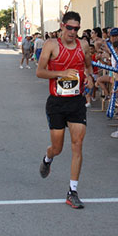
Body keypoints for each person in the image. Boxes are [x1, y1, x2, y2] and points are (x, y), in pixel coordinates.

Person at [36, 11, 94, 209]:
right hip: (57, 103)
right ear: (62, 26)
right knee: (58, 148)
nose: (73, 32)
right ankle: (48, 157)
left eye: (76, 29)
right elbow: (40, 71)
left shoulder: (83, 45)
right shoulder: (51, 45)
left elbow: (88, 67)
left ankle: (73, 191)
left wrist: (90, 77)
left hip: (76, 102)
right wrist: (62, 73)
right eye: (69, 28)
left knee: (77, 145)